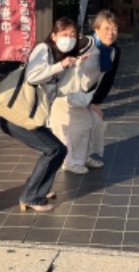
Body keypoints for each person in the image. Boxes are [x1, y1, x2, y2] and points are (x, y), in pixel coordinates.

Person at [0, 17, 84, 212]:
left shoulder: (59, 58)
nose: (69, 38)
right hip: (17, 116)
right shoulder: (44, 50)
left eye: (73, 35)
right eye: (64, 34)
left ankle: (35, 191)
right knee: (54, 150)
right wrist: (62, 65)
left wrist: (74, 67)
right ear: (53, 35)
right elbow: (32, 76)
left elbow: (61, 90)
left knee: (56, 150)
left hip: (33, 116)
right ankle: (31, 196)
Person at [52, 10, 121, 175]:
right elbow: (58, 58)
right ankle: (71, 162)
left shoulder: (113, 51)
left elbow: (107, 80)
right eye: (106, 28)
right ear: (96, 29)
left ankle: (85, 156)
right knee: (83, 123)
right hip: (66, 93)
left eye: (114, 29)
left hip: (84, 97)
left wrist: (94, 102)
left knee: (95, 120)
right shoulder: (84, 43)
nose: (111, 33)